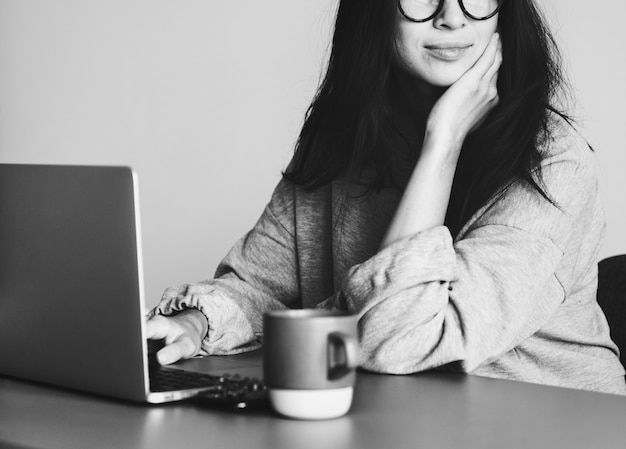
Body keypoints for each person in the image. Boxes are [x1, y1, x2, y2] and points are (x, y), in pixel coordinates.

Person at [146, 0, 626, 394]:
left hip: (554, 427)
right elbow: (261, 285)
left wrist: (442, 144)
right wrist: (195, 323)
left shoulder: (553, 165)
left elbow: (400, 341)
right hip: (392, 421)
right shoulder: (341, 143)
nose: (452, 17)